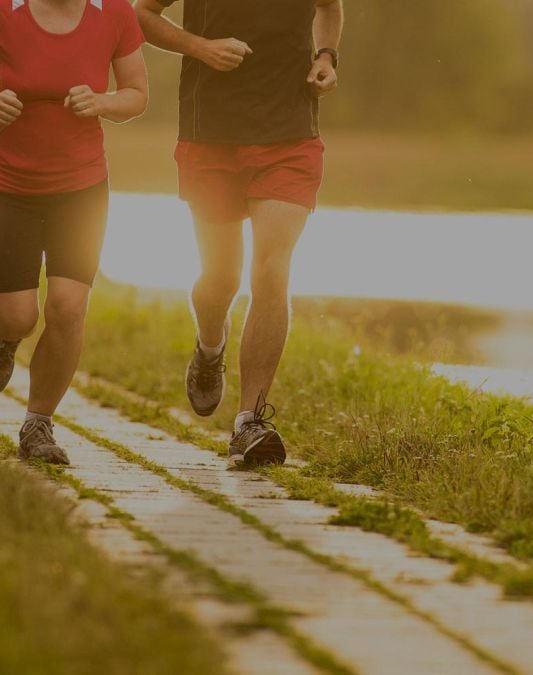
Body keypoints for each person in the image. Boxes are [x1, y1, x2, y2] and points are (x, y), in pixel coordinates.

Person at [134, 0, 342, 467]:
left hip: (289, 131)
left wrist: (326, 57)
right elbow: (141, 14)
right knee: (219, 280)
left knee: (271, 270)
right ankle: (211, 344)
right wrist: (200, 47)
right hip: (211, 133)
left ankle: (250, 419)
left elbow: (329, 6)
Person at [0, 0, 148, 464]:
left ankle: (38, 423)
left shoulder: (115, 13)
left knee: (67, 306)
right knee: (18, 316)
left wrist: (102, 102)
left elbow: (137, 93)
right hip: (8, 185)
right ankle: (5, 341)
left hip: (81, 188)